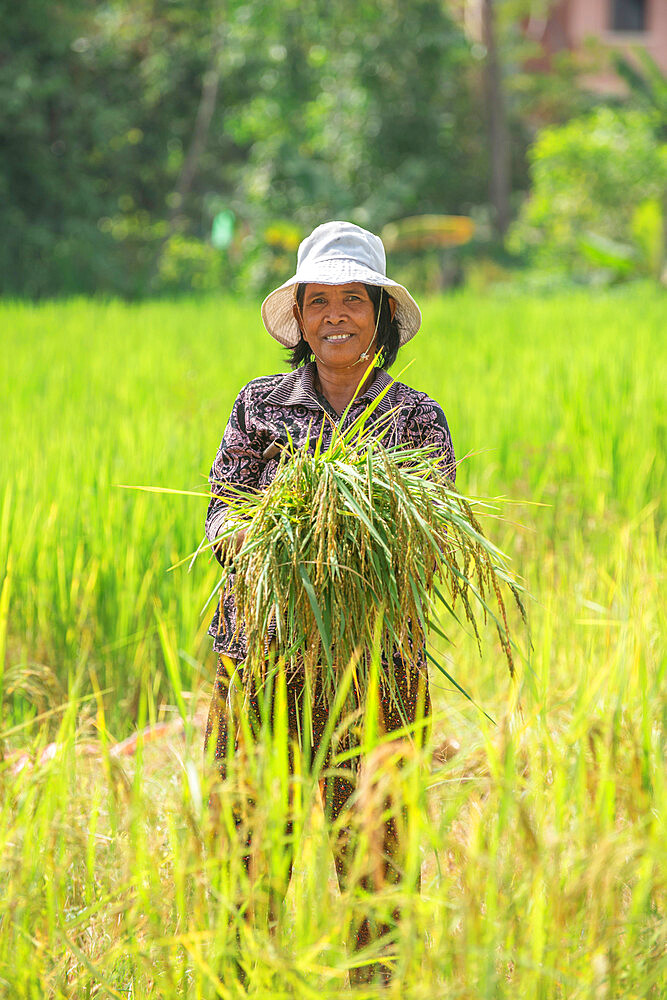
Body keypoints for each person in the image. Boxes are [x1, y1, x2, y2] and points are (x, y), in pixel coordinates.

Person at [203, 221, 456, 982]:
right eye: (320, 301)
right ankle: (244, 982)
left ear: (380, 314)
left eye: (353, 299)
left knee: (375, 854)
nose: (335, 315)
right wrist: (278, 532)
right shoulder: (259, 405)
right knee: (250, 846)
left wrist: (359, 538)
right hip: (263, 658)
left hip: (377, 664)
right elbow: (220, 512)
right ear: (300, 318)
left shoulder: (415, 416)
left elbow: (432, 531)